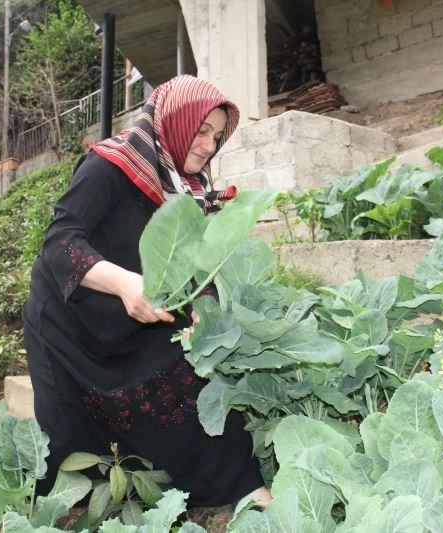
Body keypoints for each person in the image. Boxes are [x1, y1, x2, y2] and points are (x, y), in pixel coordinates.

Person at [23, 74, 271, 509]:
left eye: (216, 137)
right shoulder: (110, 166)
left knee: (191, 390)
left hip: (133, 319)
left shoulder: (188, 189)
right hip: (68, 324)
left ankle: (244, 488)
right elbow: (60, 243)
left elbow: (197, 266)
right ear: (173, 123)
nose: (209, 146)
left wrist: (203, 313)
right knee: (69, 445)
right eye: (201, 131)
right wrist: (123, 283)